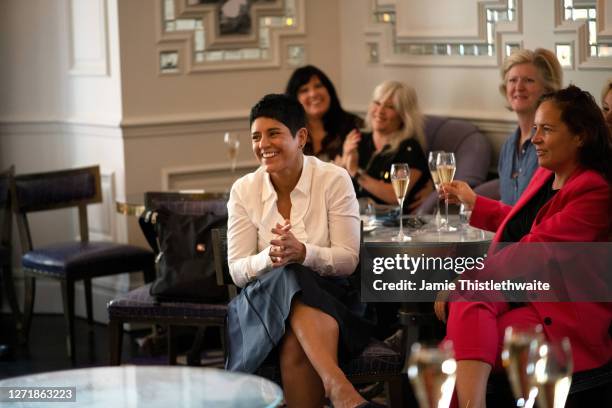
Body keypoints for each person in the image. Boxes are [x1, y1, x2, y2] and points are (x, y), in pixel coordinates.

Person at [437, 85, 612, 407]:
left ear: (580, 136)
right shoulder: (547, 175)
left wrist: (462, 282)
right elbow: (525, 225)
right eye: (535, 129)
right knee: (467, 315)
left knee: (455, 345)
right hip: (521, 294)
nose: (535, 139)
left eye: (547, 129)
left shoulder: (594, 191)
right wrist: (477, 204)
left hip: (560, 311)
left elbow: (537, 248)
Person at [225, 94, 378, 408]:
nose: (263, 144)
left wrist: (305, 253)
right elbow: (237, 271)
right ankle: (337, 386)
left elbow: (349, 260)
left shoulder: (334, 180)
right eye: (256, 136)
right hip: (261, 308)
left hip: (333, 300)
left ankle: (336, 387)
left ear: (301, 137)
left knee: (295, 331)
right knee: (287, 274)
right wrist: (272, 256)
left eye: (274, 133)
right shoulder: (244, 189)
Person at [337, 80, 431, 213]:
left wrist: (356, 172)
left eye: (390, 107)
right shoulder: (357, 139)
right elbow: (336, 184)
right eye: (377, 103)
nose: (380, 111)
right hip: (352, 217)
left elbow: (394, 195)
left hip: (390, 224)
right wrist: (343, 163)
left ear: (404, 115)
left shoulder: (410, 148)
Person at [497, 48, 562, 205]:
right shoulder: (508, 147)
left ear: (547, 90)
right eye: (512, 80)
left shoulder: (552, 144)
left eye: (528, 80)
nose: (519, 87)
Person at [285, 65, 363, 161]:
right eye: (304, 90)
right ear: (294, 99)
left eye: (318, 86)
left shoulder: (355, 125)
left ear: (329, 90)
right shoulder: (288, 133)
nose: (313, 94)